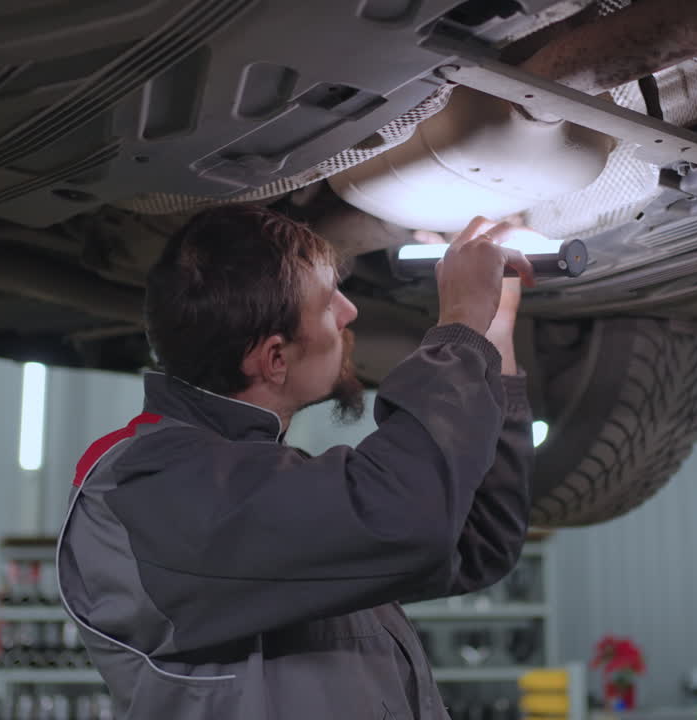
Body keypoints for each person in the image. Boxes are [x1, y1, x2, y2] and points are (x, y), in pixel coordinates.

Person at [56, 203, 538, 719]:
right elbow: (403, 517)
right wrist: (459, 327)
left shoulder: (258, 487)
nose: (350, 312)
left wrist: (492, 332)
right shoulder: (147, 488)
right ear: (274, 359)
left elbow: (477, 539)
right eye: (328, 302)